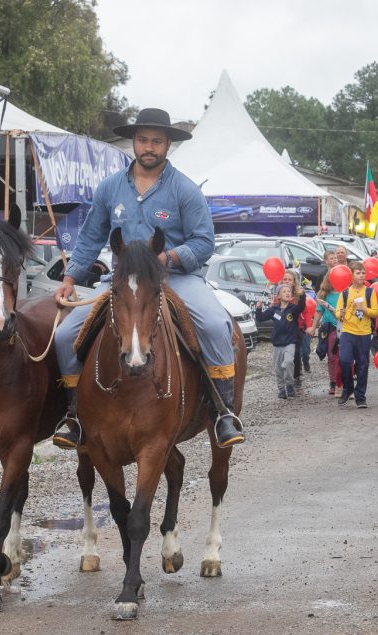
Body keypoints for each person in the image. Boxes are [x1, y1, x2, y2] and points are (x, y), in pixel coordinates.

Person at [51, 108, 242, 449]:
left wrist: (167, 257)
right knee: (66, 334)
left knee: (214, 325)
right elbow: (91, 237)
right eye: (142, 140)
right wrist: (70, 278)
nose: (148, 147)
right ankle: (75, 416)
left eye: (156, 141)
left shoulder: (185, 190)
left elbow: (204, 242)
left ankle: (223, 412)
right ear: (133, 143)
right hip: (120, 284)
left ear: (168, 144)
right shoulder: (109, 188)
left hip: (175, 279)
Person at [333, 261, 378, 408]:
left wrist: (364, 309)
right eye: (358, 273)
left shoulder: (370, 292)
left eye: (363, 273)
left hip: (364, 333)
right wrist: (341, 313)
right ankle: (347, 388)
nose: (361, 275)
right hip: (348, 331)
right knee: (345, 361)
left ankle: (360, 396)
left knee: (362, 365)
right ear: (350, 275)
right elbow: (337, 312)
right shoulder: (345, 293)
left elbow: (375, 312)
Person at [255, 285, 304, 399]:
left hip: (290, 342)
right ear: (278, 296)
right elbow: (261, 318)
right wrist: (258, 308)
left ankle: (290, 385)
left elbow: (301, 307)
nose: (287, 293)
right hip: (277, 344)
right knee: (278, 368)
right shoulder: (274, 309)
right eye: (284, 291)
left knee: (288, 363)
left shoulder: (293, 309)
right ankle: (281, 389)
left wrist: (302, 295)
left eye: (289, 291)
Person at [314, 258, 342, 396]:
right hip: (330, 327)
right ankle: (333, 381)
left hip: (345, 327)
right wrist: (313, 327)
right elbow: (318, 311)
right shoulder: (324, 294)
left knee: (343, 357)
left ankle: (343, 380)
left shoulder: (346, 292)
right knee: (331, 356)